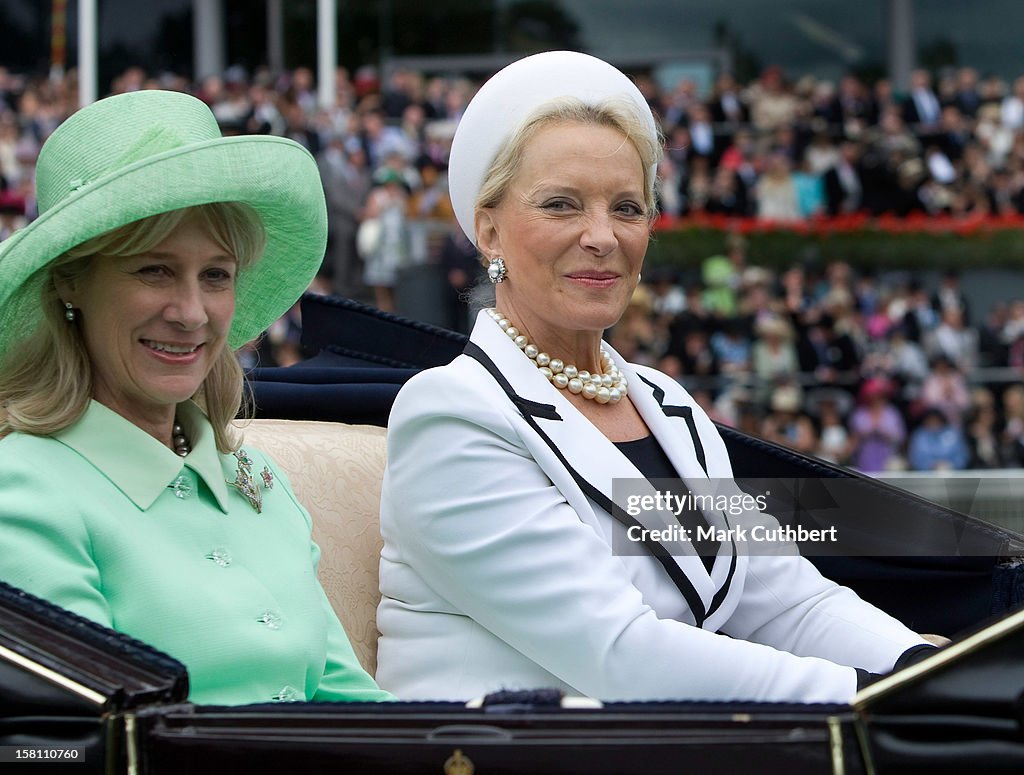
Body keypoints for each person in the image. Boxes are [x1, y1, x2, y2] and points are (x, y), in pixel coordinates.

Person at [376, 52, 938, 704]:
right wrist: (893, 694)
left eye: (627, 207)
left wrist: (925, 666)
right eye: (561, 204)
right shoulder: (451, 414)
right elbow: (624, 655)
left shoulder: (665, 404)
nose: (602, 235)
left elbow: (790, 604)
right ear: (488, 229)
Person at [0, 90, 392, 706]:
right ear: (71, 281)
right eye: (152, 270)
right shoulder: (22, 490)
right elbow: (79, 745)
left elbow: (347, 701)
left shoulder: (255, 475)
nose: (191, 313)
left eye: (216, 275)